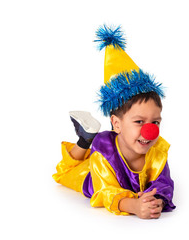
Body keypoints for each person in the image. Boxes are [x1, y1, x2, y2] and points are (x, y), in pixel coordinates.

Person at [52, 25, 175, 219]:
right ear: (116, 124)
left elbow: (163, 182)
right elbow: (105, 192)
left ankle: (86, 138)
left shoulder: (157, 149)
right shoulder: (104, 151)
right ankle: (85, 139)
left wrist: (156, 200)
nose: (150, 131)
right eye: (139, 121)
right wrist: (133, 205)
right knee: (63, 172)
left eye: (156, 122)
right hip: (91, 177)